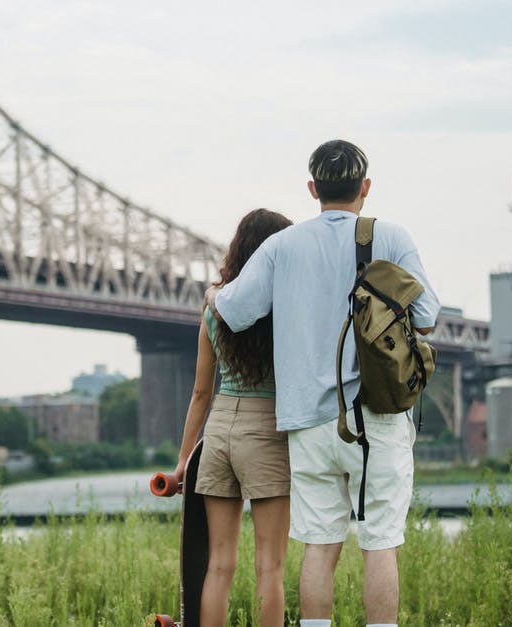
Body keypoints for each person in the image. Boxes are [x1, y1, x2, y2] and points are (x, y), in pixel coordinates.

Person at [207, 140, 439, 627]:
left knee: (319, 545)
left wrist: (214, 291)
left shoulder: (280, 246)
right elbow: (427, 317)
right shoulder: (390, 236)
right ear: (366, 188)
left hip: (306, 423)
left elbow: (234, 310)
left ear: (312, 189)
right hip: (375, 417)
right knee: (380, 545)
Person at [172, 208, 295, 627]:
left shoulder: (214, 307)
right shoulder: (286, 308)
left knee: (219, 564)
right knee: (270, 565)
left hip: (219, 432)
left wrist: (182, 462)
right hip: (267, 433)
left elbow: (200, 393)